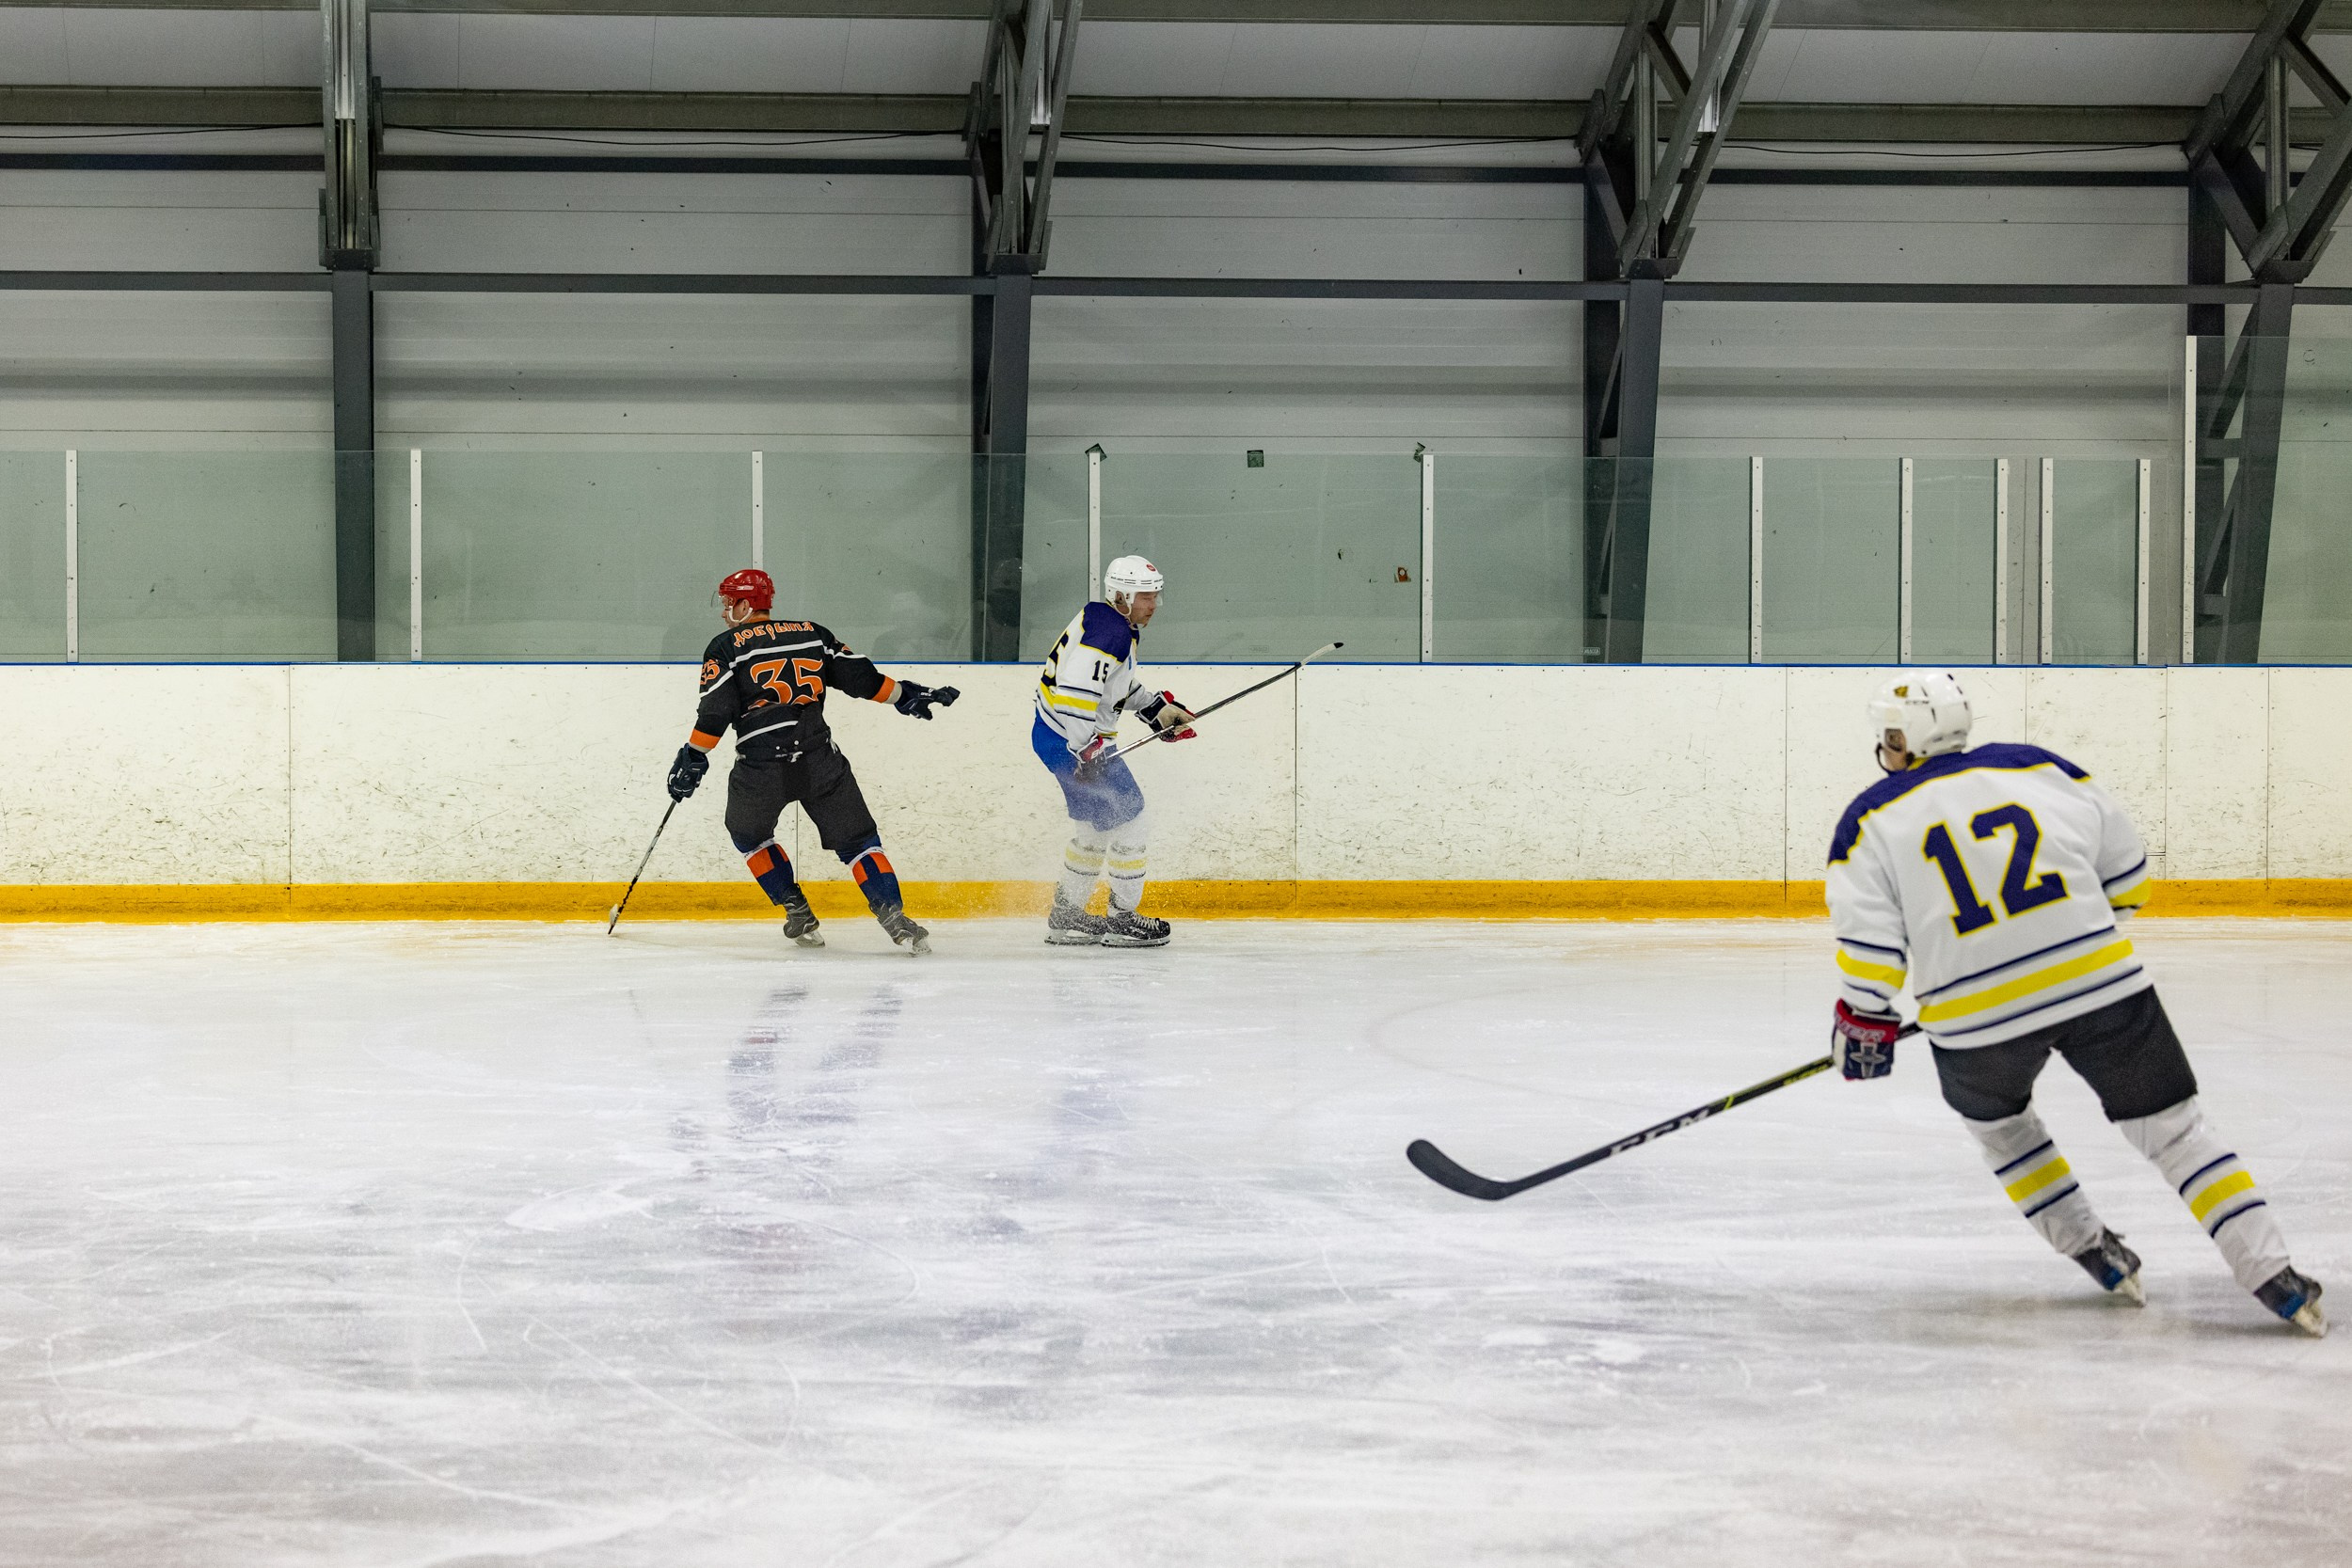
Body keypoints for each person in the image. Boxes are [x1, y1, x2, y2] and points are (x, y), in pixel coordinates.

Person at [1825, 671, 2325, 1337]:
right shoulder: (2040, 767)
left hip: (1977, 1024)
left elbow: (1872, 957)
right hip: (2102, 986)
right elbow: (2130, 880)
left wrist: (1865, 1023)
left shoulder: (1867, 820)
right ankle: (2276, 1277)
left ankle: (2098, 1253)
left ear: (1899, 740)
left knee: (2004, 1132)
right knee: (2176, 1131)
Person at [666, 568, 958, 955]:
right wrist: (906, 696)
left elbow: (715, 714)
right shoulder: (814, 633)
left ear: (744, 603)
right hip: (820, 758)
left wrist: (693, 757)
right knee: (860, 843)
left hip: (761, 766)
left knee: (749, 835)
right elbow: (865, 681)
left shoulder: (725, 646)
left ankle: (797, 911)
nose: (723, 612)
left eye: (727, 603)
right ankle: (896, 921)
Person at [1030, 555, 1196, 947]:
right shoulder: (1111, 633)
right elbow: (1074, 692)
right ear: (1121, 595)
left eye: (1156, 596)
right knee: (1132, 820)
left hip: (1054, 736)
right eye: (1145, 596)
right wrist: (1085, 748)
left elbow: (1110, 686)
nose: (1152, 604)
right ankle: (1123, 919)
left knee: (1094, 829)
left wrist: (1156, 707)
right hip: (1072, 741)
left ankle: (1068, 916)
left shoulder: (1106, 621)